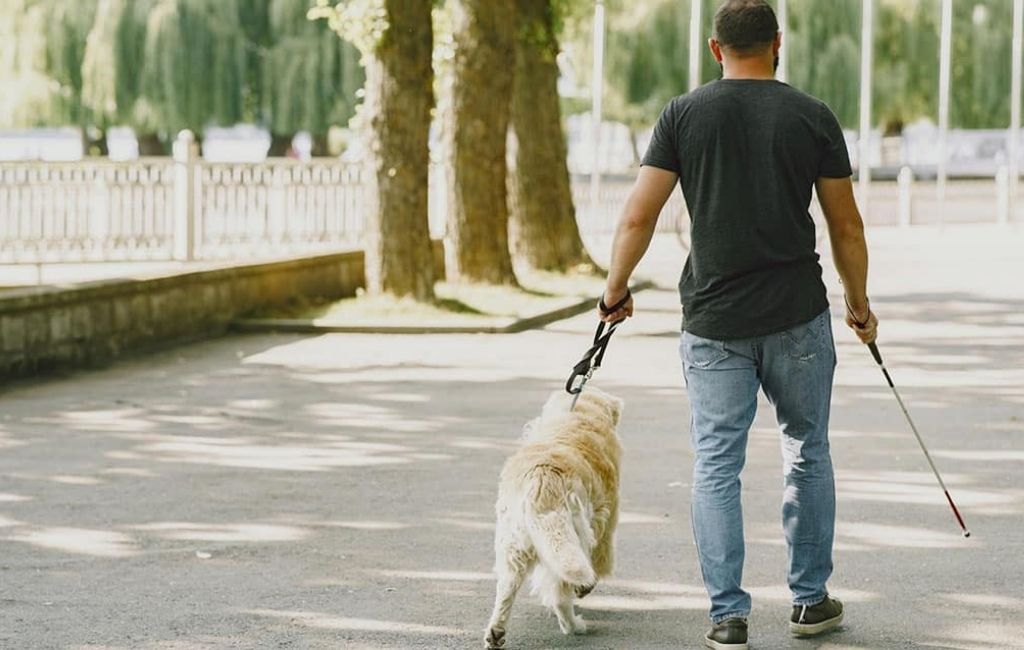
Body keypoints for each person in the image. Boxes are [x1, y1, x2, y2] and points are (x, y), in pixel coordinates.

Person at [596, 1, 878, 648]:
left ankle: (727, 614)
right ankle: (809, 601)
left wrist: (614, 292)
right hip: (798, 317)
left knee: (716, 464)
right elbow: (846, 225)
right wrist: (858, 305)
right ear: (778, 44)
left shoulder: (683, 114)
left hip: (714, 320)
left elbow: (637, 217)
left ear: (715, 49)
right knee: (808, 451)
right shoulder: (812, 116)